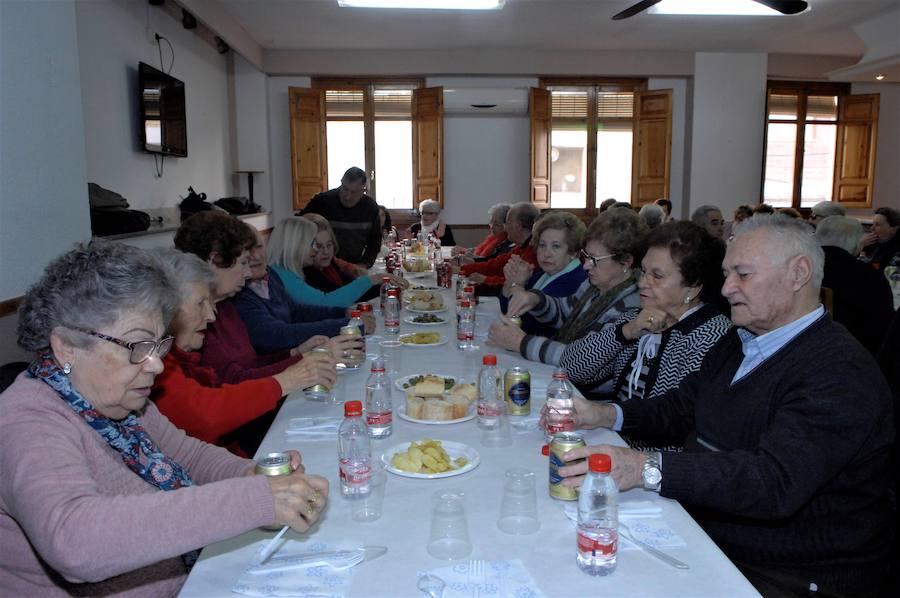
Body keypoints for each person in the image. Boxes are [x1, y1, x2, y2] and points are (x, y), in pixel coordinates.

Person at [550, 215, 894, 597]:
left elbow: (773, 481)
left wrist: (645, 468)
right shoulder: (743, 339)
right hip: (712, 532)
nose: (727, 288)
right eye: (727, 273)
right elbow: (682, 408)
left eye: (742, 275)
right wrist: (603, 414)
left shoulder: (838, 371)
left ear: (799, 274)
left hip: (790, 572)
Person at [0, 242, 328, 595]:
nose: (155, 364)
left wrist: (252, 474)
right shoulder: (27, 421)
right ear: (67, 346)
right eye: (138, 347)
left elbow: (188, 455)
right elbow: (75, 541)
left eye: (159, 345)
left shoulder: (120, 401)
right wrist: (254, 500)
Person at [152, 249, 339, 456]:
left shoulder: (187, 348)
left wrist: (295, 354)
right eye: (200, 303)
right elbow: (207, 415)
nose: (210, 315)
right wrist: (289, 377)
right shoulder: (157, 363)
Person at [557, 222, 731, 420]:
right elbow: (569, 368)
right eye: (643, 271)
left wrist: (611, 418)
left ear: (692, 288)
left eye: (657, 276)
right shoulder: (637, 318)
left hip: (658, 448)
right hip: (618, 434)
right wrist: (625, 332)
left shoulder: (710, 337)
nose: (641, 283)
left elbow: (679, 419)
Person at [489, 208, 643, 379]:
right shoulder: (594, 286)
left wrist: (521, 343)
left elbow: (581, 359)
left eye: (595, 260)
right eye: (586, 257)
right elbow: (564, 313)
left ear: (626, 262)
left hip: (588, 395)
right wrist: (535, 300)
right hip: (564, 379)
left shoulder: (630, 308)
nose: (586, 266)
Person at [174, 211, 304, 384]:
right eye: (243, 263)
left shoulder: (226, 305)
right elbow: (234, 382)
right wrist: (303, 363)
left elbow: (251, 365)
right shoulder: (196, 320)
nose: (248, 273)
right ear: (215, 260)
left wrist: (296, 353)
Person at [266, 216, 402, 308]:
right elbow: (326, 302)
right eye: (313, 244)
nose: (315, 251)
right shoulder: (282, 276)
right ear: (295, 245)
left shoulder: (285, 272)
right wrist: (374, 279)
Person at [497, 211, 587, 335]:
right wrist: (509, 283)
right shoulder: (541, 275)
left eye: (556, 246)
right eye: (542, 245)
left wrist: (517, 285)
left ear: (573, 252)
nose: (546, 253)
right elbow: (507, 310)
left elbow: (529, 326)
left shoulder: (575, 281)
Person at [815, 216, 894, 355]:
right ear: (857, 245)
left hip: (797, 349)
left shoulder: (798, 269)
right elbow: (884, 326)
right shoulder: (869, 277)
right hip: (853, 352)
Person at [300, 166, 381, 268]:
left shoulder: (370, 207)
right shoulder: (322, 201)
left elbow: (375, 242)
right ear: (341, 182)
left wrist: (365, 264)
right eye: (345, 189)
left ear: (363, 190)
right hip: (321, 267)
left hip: (353, 266)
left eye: (354, 192)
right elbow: (299, 227)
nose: (347, 196)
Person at [458, 202, 539, 291]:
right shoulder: (521, 248)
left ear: (518, 226)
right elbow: (495, 265)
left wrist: (485, 279)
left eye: (507, 223)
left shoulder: (533, 252)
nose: (506, 228)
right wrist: (461, 270)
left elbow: (521, 284)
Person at [860, 206, 900, 271]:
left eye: (877, 225)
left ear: (893, 229)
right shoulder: (870, 243)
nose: (871, 228)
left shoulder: (896, 253)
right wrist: (860, 245)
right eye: (873, 224)